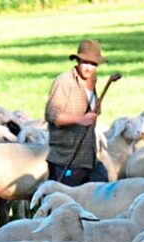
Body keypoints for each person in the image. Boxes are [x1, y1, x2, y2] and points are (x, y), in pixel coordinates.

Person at [45, 39, 109, 186]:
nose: (89, 68)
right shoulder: (64, 82)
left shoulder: (92, 82)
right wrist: (80, 119)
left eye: (93, 64)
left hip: (88, 158)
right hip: (66, 159)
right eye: (85, 62)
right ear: (78, 60)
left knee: (102, 187)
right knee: (66, 203)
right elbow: (52, 114)